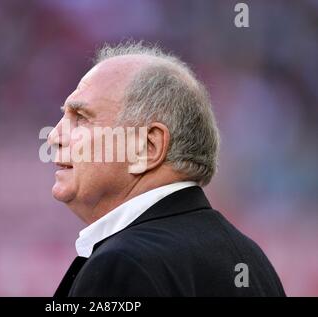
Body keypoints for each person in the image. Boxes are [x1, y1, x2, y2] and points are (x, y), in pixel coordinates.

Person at [48, 41, 285, 297]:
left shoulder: (123, 265)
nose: (53, 136)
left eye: (81, 118)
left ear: (147, 147)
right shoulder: (251, 259)